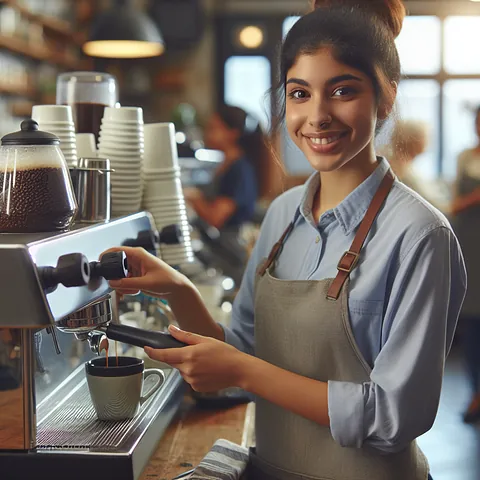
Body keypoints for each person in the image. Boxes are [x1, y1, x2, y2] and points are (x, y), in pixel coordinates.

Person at [104, 2, 466, 479]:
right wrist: (179, 290)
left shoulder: (420, 236)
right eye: (300, 93)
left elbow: (390, 418)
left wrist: (241, 371)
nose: (317, 116)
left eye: (342, 91)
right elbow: (238, 363)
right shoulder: (282, 217)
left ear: (387, 97)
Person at [184, 105, 271, 285]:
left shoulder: (238, 170)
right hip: (221, 246)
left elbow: (216, 217)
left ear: (232, 133)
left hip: (232, 249)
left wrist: (193, 197)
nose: (208, 133)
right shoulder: (225, 164)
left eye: (214, 128)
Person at [451, 106, 480, 423]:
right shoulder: (464, 158)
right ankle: (476, 392)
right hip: (471, 246)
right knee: (472, 323)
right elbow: (454, 204)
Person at [388, 120, 450, 213]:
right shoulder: (403, 172)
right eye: (425, 137)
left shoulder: (407, 166)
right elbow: (434, 206)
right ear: (412, 139)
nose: (430, 141)